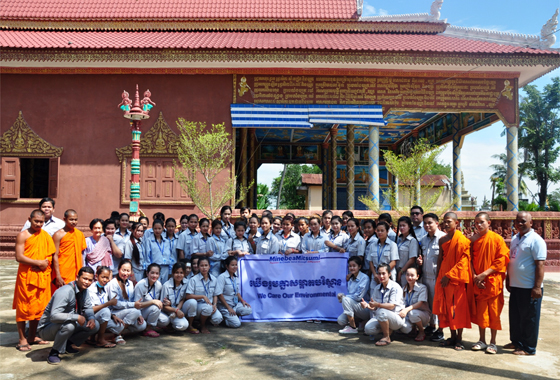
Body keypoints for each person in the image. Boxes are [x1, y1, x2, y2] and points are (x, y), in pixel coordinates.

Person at [37, 267, 100, 365]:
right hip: (47, 328)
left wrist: (91, 318)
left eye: (90, 280)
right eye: (84, 278)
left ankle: (68, 344)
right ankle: (54, 352)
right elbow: (54, 316)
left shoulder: (84, 290)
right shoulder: (65, 292)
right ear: (77, 277)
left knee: (95, 325)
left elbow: (87, 307)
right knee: (69, 326)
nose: (87, 282)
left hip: (67, 322)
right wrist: (77, 317)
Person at [505, 211, 547, 356]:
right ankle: (516, 342)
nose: (519, 224)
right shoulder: (516, 238)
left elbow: (540, 265)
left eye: (523, 221)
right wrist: (509, 279)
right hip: (516, 286)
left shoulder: (536, 240)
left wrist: (537, 287)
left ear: (531, 223)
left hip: (529, 287)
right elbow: (513, 261)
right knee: (515, 317)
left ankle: (528, 348)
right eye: (517, 221)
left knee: (529, 319)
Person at [13, 210, 55, 351]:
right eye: (36, 221)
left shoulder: (45, 236)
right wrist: (37, 263)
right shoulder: (23, 235)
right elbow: (19, 257)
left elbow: (50, 255)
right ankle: (22, 339)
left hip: (41, 276)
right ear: (29, 219)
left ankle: (32, 335)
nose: (38, 224)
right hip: (26, 277)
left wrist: (44, 263)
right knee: (24, 307)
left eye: (41, 222)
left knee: (38, 308)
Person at [469, 212, 510, 354]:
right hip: (478, 281)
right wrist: (475, 277)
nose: (478, 225)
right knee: (481, 313)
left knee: (494, 313)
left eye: (481, 222)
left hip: (492, 281)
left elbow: (502, 260)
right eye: (476, 223)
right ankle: (482, 340)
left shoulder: (497, 239)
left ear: (489, 223)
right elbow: (470, 261)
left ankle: (493, 342)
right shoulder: (473, 240)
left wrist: (484, 274)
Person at [433, 212, 472, 351]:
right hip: (443, 280)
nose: (446, 224)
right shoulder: (442, 240)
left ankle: (459, 339)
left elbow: (464, 262)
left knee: (457, 309)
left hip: (456, 280)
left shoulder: (464, 241)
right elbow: (440, 259)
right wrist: (439, 276)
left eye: (449, 221)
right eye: (445, 221)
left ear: (457, 222)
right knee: (446, 309)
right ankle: (452, 336)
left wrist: (449, 276)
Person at [361, 263, 405, 346]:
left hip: (396, 318)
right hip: (382, 316)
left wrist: (377, 305)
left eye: (383, 273)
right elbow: (374, 307)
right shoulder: (377, 288)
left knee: (381, 311)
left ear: (389, 274)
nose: (381, 276)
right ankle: (389, 330)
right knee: (368, 329)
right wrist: (367, 306)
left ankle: (386, 337)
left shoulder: (395, 287)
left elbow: (392, 305)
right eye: (379, 274)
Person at [106, 260, 147, 344]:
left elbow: (132, 300)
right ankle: (117, 334)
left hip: (128, 312)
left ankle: (118, 329)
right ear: (118, 269)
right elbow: (115, 304)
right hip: (114, 313)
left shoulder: (130, 284)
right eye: (123, 270)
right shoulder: (113, 283)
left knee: (142, 325)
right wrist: (134, 307)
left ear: (131, 271)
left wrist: (139, 314)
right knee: (134, 312)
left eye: (128, 271)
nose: (125, 273)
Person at [184, 257, 223, 334]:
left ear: (209, 266)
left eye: (206, 265)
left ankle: (202, 321)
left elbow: (215, 294)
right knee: (206, 308)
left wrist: (215, 304)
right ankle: (202, 325)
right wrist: (202, 296)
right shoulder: (193, 279)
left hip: (209, 305)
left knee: (218, 318)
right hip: (197, 306)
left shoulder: (214, 279)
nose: (204, 268)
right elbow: (188, 296)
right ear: (198, 267)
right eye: (202, 265)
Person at [51, 209, 87, 291]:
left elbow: (81, 253)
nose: (74, 222)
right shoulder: (58, 234)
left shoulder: (79, 234)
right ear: (64, 219)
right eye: (71, 219)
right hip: (63, 271)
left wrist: (82, 270)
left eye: (75, 219)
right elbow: (55, 255)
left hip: (77, 271)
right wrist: (58, 275)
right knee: (62, 295)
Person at [87, 266, 122, 348]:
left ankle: (92, 338)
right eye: (103, 277)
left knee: (120, 326)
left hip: (100, 316)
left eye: (107, 277)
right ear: (96, 276)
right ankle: (100, 339)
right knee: (105, 311)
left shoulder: (105, 288)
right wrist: (108, 303)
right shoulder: (91, 289)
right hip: (90, 317)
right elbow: (90, 309)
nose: (105, 280)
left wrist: (113, 316)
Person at [215, 256, 252, 328]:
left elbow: (237, 292)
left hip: (234, 304)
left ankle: (233, 316)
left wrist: (242, 300)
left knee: (248, 310)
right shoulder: (222, 277)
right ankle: (224, 318)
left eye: (236, 265)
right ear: (227, 266)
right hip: (225, 306)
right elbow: (219, 294)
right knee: (236, 324)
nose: (235, 267)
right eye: (232, 265)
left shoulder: (235, 277)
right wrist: (228, 308)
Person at [133, 263, 167, 337]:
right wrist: (153, 301)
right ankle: (147, 329)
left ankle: (150, 325)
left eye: (157, 273)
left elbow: (160, 301)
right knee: (155, 307)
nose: (154, 276)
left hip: (150, 311)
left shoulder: (159, 285)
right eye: (152, 273)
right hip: (140, 311)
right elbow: (136, 305)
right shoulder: (140, 285)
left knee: (165, 321)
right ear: (147, 273)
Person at [337, 256, 370, 334]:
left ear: (359, 267)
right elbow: (351, 296)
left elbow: (358, 297)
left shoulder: (364, 278)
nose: (352, 268)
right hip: (356, 307)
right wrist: (343, 297)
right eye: (350, 266)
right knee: (341, 320)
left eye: (354, 266)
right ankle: (360, 323)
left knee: (345, 299)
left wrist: (344, 297)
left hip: (365, 308)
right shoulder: (351, 279)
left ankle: (353, 327)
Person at [398, 266, 431, 342]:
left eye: (412, 275)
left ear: (417, 277)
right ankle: (413, 329)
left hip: (422, 315)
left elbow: (420, 303)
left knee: (412, 313)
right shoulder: (403, 289)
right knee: (404, 328)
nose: (409, 277)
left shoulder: (422, 288)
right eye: (407, 275)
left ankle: (421, 331)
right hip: (408, 314)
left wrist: (406, 310)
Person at [160, 262, 189, 332]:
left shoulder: (187, 283)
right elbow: (163, 306)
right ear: (172, 273)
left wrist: (177, 310)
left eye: (181, 273)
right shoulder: (166, 285)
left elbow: (183, 299)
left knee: (184, 325)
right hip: (168, 311)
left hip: (179, 310)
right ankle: (168, 324)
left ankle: (173, 323)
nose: (179, 275)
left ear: (184, 274)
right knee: (164, 320)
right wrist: (175, 310)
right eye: (176, 272)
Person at [396, 216, 420, 288]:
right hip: (397, 271)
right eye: (400, 226)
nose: (401, 228)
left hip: (406, 273)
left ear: (409, 226)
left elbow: (412, 259)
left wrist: (401, 272)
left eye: (404, 225)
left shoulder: (412, 240)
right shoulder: (398, 239)